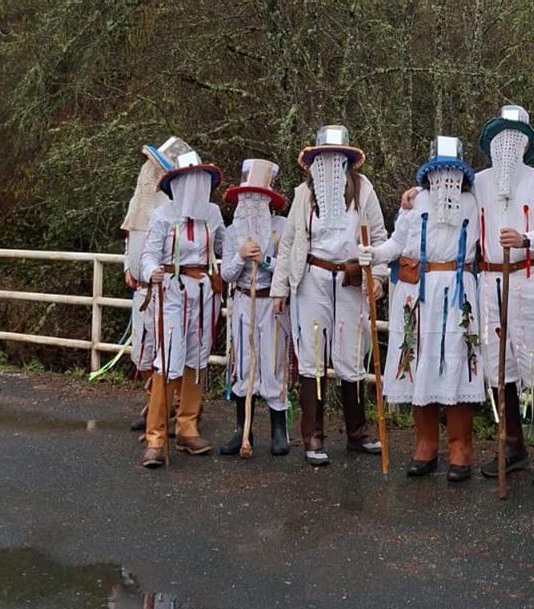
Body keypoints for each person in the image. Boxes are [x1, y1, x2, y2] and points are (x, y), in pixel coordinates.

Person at [359, 136, 483, 482]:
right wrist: (374, 254)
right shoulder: (413, 204)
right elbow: (398, 243)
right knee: (416, 361)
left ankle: (460, 447)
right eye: (439, 170)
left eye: (452, 170)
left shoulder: (474, 203)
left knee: (458, 362)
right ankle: (425, 444)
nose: (446, 177)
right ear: (429, 172)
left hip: (458, 293)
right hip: (418, 294)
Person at [270, 125, 385, 467]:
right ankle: (313, 435)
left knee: (351, 353)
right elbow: (290, 242)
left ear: (347, 159)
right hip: (313, 278)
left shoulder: (363, 191)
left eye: (338, 157)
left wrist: (376, 276)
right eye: (325, 157)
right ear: (316, 160)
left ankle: (356, 433)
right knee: (313, 354)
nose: (332, 163)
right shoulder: (304, 195)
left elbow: (378, 235)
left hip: (350, 278)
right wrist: (280, 288)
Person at [473, 105, 534, 484]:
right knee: (499, 364)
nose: (507, 145)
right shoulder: (477, 182)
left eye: (515, 137)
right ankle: (512, 444)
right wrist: (417, 196)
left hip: (527, 281)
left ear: (527, 143)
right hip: (489, 280)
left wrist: (528, 240)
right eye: (500, 137)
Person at [138, 146, 226, 468]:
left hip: (203, 295)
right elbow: (148, 254)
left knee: (197, 357)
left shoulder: (214, 215)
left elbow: (223, 249)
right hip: (173, 293)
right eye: (191, 180)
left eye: (201, 180)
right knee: (169, 357)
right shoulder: (163, 215)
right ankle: (156, 438)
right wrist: (151, 271)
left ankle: (188, 427)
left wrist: (236, 262)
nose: (197, 186)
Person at [219, 159, 292, 457]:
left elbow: (287, 268)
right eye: (246, 198)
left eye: (258, 198)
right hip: (243, 304)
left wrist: (264, 260)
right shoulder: (232, 231)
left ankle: (278, 429)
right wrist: (239, 257)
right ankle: (243, 428)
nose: (251, 205)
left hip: (271, 303)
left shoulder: (280, 227)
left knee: (272, 361)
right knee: (245, 361)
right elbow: (226, 274)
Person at [120, 138, 179, 432]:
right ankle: (154, 404)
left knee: (164, 352)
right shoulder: (137, 205)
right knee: (142, 353)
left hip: (162, 291)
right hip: (141, 291)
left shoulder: (169, 208)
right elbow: (130, 239)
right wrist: (128, 269)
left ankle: (166, 408)